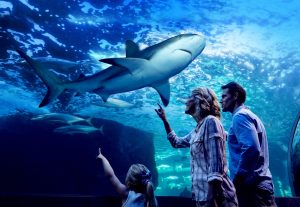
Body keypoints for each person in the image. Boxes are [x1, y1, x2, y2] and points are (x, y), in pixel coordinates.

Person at [155, 87, 238, 207]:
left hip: (217, 199)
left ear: (199, 100)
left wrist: (210, 200)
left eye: (189, 97)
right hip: (201, 198)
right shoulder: (197, 130)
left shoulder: (211, 122)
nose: (185, 101)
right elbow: (176, 142)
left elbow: (216, 168)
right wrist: (164, 120)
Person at [220, 81, 277, 207]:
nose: (220, 100)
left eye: (224, 96)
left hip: (252, 187)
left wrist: (238, 180)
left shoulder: (239, 117)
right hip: (259, 185)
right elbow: (243, 142)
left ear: (235, 96)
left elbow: (251, 148)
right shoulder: (249, 116)